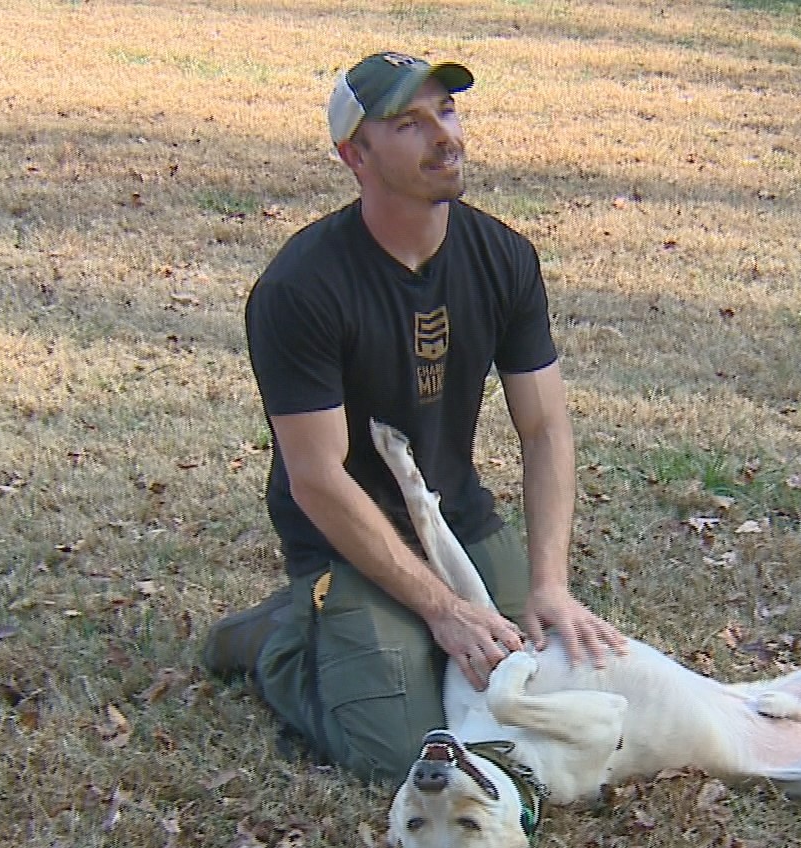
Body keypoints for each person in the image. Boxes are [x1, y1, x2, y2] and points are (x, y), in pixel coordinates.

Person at [202, 51, 626, 784]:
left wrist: (550, 582)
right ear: (354, 155)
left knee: (562, 685)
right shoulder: (300, 288)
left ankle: (386, 634)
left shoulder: (503, 257)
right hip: (346, 541)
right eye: (409, 123)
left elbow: (545, 428)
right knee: (404, 751)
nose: (444, 136)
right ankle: (278, 639)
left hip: (458, 520)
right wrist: (441, 609)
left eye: (447, 112)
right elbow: (316, 478)